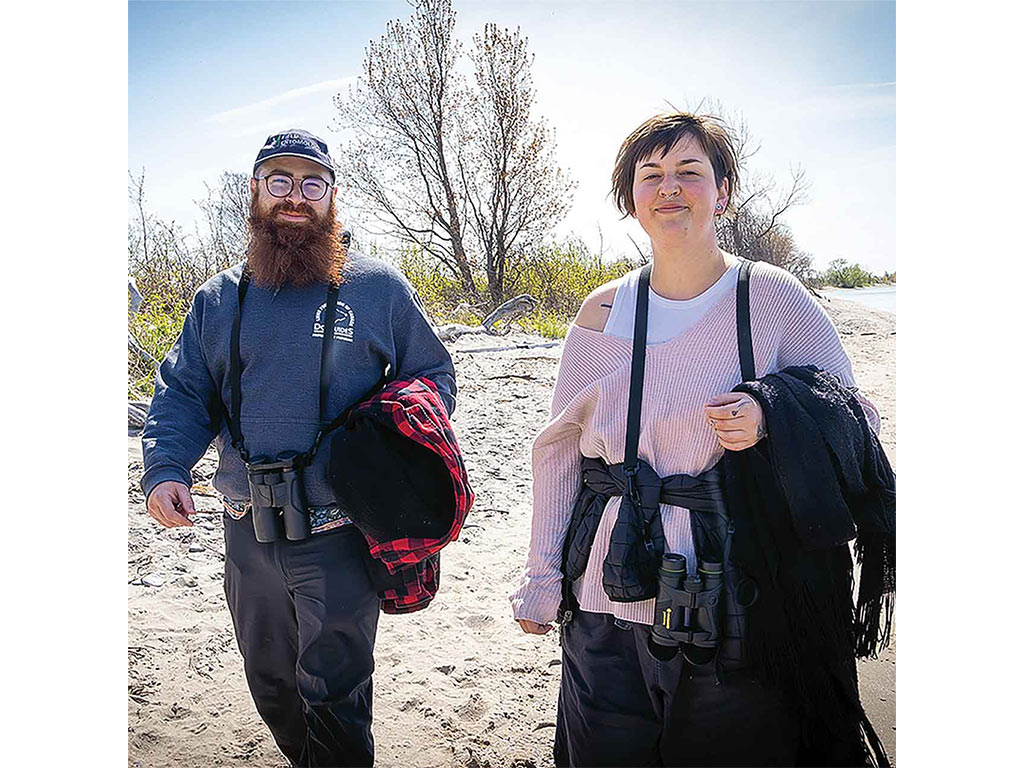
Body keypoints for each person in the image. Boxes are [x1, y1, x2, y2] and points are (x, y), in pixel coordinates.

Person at [510, 112, 893, 767]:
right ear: (629, 196)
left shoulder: (771, 297)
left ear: (724, 192)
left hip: (739, 600)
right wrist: (542, 578)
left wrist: (770, 411)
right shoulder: (600, 312)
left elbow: (856, 416)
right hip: (607, 595)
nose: (670, 187)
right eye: (651, 174)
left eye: (690, 171)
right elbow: (558, 454)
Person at [141, 129, 457, 767]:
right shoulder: (218, 300)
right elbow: (182, 394)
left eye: (312, 184)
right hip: (245, 531)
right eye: (280, 182)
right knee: (274, 689)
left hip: (341, 530)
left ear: (332, 197)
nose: (295, 198)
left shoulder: (376, 288)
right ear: (255, 192)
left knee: (335, 693)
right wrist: (166, 468)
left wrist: (395, 432)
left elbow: (436, 376)